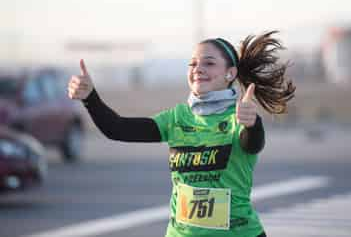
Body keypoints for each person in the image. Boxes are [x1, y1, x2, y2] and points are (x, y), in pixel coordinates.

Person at [67, 30, 295, 237]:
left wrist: (252, 123)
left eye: (209, 63)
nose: (198, 69)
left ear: (230, 73)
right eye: (193, 63)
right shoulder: (176, 118)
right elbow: (117, 128)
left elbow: (253, 143)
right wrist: (90, 98)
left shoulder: (239, 117)